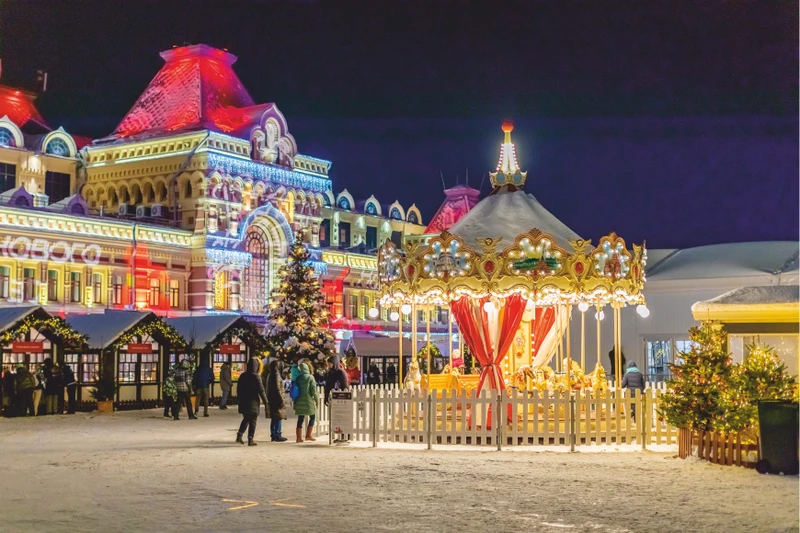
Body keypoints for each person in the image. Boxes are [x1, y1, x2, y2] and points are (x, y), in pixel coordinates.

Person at [235, 357, 268, 446]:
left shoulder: (242, 376)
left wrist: (239, 399)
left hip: (243, 400)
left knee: (246, 418)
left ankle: (239, 435)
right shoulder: (256, 377)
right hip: (253, 401)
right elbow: (261, 391)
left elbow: (238, 389)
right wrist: (266, 402)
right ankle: (250, 439)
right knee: (253, 420)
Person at [294, 363, 318, 443]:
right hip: (308, 401)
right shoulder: (310, 378)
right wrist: (317, 401)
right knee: (312, 417)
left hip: (299, 400)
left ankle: (298, 437)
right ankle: (308, 435)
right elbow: (313, 391)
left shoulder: (298, 378)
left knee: (300, 419)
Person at [265, 360, 288, 442]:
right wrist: (281, 400)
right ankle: (277, 434)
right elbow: (278, 389)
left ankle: (274, 434)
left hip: (272, 399)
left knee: (274, 418)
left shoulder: (270, 374)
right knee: (278, 418)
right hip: (277, 399)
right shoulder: (276, 375)